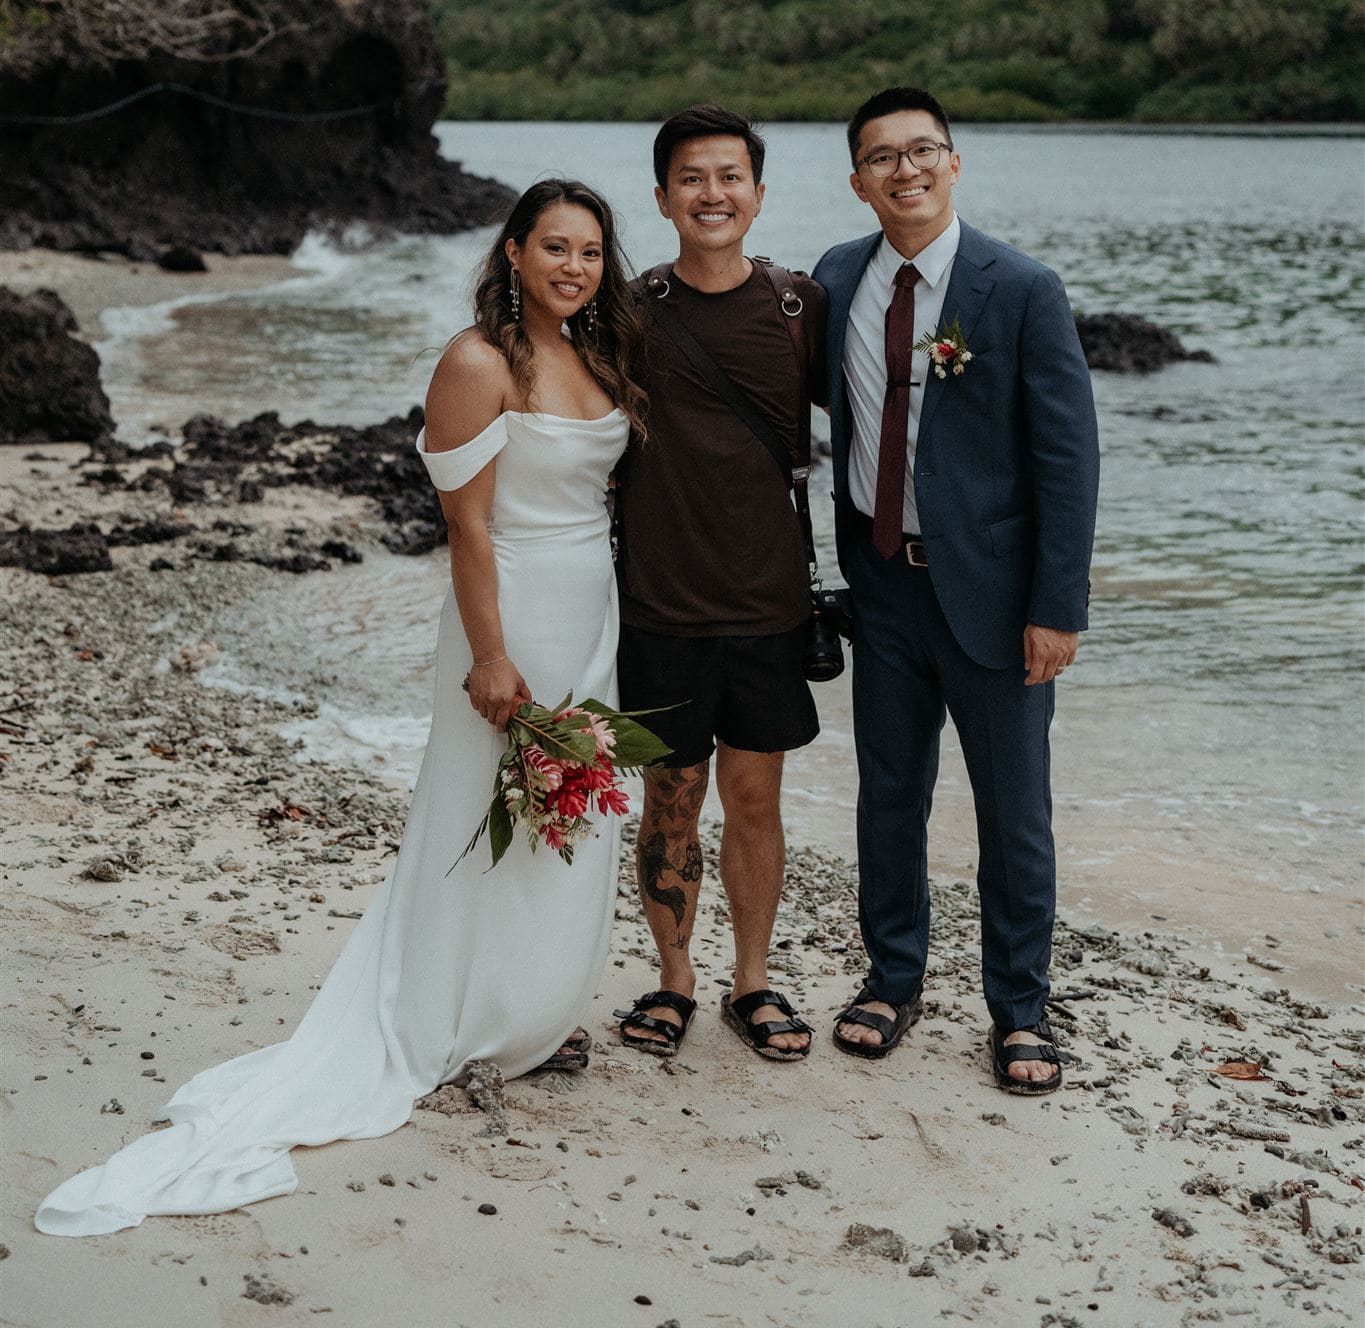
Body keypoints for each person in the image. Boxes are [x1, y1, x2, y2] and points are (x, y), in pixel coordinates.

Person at [35, 180, 647, 1236]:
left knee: (566, 810)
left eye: (591, 251)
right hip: (511, 610)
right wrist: (491, 653)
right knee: (479, 813)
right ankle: (453, 1020)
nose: (574, 267)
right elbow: (466, 527)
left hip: (594, 607)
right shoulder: (474, 360)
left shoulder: (601, 354)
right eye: (555, 247)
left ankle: (525, 1016)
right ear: (512, 250)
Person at [813, 87, 1099, 1093]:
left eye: (923, 148)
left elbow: (1068, 458)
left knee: (1014, 813)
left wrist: (1058, 604)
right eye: (882, 155)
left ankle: (1019, 1007)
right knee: (888, 795)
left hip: (996, 595)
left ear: (954, 162)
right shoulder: (838, 276)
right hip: (884, 588)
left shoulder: (1019, 286)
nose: (906, 168)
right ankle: (892, 976)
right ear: (858, 179)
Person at [613, 104, 826, 1062]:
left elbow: (885, 414)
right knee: (670, 795)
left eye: (729, 176)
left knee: (752, 796)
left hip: (768, 602)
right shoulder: (624, 311)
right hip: (659, 601)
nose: (712, 194)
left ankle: (752, 979)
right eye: (691, 179)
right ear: (661, 198)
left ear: (757, 193)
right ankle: (673, 978)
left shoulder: (796, 308)